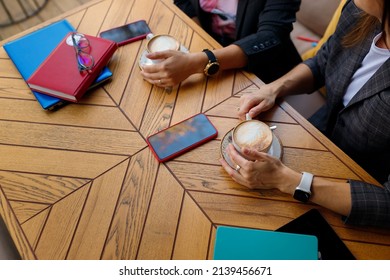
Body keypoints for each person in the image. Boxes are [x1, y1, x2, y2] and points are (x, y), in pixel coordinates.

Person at [220, 0, 390, 228]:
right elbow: (323, 61)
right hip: (316, 140)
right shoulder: (360, 14)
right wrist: (274, 89)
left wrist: (285, 180)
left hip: (359, 191)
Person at [140, 0, 302, 87]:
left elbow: (271, 35)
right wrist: (201, 44)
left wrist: (197, 61)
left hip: (260, 67)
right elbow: (185, 2)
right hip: (206, 48)